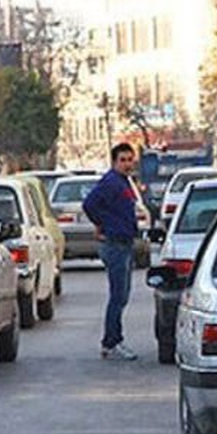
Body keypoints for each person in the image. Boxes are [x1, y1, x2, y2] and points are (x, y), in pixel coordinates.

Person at [82, 143, 141, 361]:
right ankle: (112, 341)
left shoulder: (124, 182)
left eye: (129, 159)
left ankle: (112, 340)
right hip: (115, 244)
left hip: (124, 242)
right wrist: (102, 224)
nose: (127, 164)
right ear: (115, 162)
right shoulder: (111, 182)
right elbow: (89, 204)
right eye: (123, 160)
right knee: (118, 296)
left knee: (122, 296)